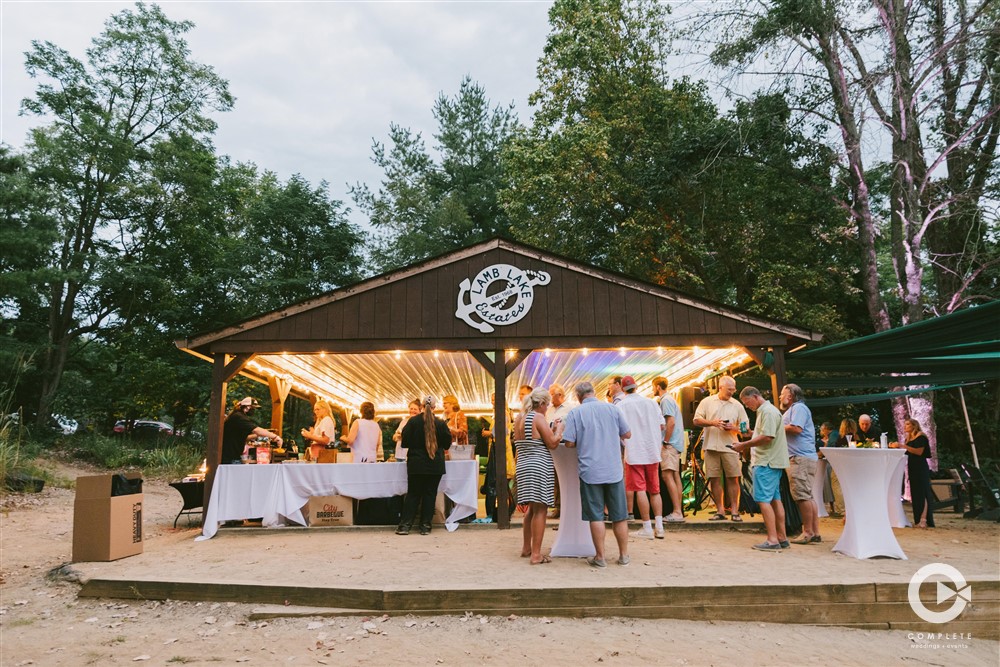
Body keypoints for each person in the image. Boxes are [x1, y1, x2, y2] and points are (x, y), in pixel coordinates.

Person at [561, 381, 632, 569]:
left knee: (596, 516)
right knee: (620, 516)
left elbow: (568, 442)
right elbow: (628, 434)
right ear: (594, 392)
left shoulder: (575, 413)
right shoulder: (612, 409)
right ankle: (623, 555)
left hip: (590, 471)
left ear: (578, 396)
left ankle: (600, 557)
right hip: (613, 469)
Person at [733, 386, 789, 551]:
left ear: (755, 396)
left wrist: (743, 444)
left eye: (747, 402)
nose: (746, 406)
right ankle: (782, 537)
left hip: (766, 462)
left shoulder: (767, 412)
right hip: (772, 461)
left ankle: (772, 539)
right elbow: (765, 434)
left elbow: (767, 437)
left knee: (763, 500)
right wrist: (751, 434)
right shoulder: (768, 411)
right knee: (775, 500)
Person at [514, 388, 564, 564]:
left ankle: (526, 548)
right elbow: (552, 443)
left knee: (531, 509)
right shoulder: (538, 417)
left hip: (523, 465)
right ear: (541, 403)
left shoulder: (519, 418)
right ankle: (536, 555)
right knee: (541, 509)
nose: (547, 408)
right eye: (547, 405)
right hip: (539, 466)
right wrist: (558, 430)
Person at [692, 376, 749, 522]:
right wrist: (713, 423)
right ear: (720, 387)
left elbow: (745, 430)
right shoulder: (707, 402)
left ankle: (735, 511)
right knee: (714, 479)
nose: (732, 392)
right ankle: (720, 510)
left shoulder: (737, 405)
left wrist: (734, 428)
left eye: (733, 389)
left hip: (730, 446)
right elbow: (696, 420)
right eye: (729, 389)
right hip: (711, 446)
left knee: (733, 478)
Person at [616, 375, 666, 540]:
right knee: (655, 490)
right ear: (636, 387)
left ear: (623, 389)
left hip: (634, 451)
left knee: (640, 490)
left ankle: (647, 527)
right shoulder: (652, 402)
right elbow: (662, 425)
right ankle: (659, 527)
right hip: (652, 450)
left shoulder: (621, 405)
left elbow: (619, 430)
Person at [396, 396, 452, 535]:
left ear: (421, 406)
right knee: (430, 494)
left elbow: (405, 442)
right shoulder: (440, 423)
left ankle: (405, 526)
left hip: (416, 463)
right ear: (434, 408)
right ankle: (425, 526)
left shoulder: (412, 422)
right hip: (435, 464)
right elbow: (447, 443)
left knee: (413, 494)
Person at [781, 384, 821, 545]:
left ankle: (807, 532)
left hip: (799, 458)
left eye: (782, 395)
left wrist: (776, 428)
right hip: (804, 457)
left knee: (802, 496)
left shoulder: (799, 408)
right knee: (808, 496)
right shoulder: (797, 409)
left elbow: (796, 428)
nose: (780, 398)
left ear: (790, 396)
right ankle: (815, 532)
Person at [652, 375, 685, 524]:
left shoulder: (665, 400)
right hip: (675, 443)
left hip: (670, 443)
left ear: (658, 386)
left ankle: (677, 512)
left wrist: (665, 441)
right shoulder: (670, 399)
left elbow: (670, 422)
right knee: (675, 476)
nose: (653, 389)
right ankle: (678, 511)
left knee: (667, 476)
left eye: (653, 387)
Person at [891, 418, 935, 528]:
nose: (905, 426)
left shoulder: (921, 437)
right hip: (912, 466)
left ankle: (924, 519)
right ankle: (918, 519)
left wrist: (902, 446)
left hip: (920, 466)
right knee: (916, 494)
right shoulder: (909, 438)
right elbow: (907, 451)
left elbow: (919, 452)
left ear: (914, 426)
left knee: (922, 492)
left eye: (907, 424)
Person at [222, 397, 282, 464]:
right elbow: (256, 430)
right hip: (229, 457)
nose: (254, 410)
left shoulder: (237, 416)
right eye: (253, 408)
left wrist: (262, 434)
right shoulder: (239, 417)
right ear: (247, 407)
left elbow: (245, 437)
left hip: (232, 455)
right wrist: (275, 437)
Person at [545, 383, 571, 519]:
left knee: (564, 477)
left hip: (564, 447)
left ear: (559, 395)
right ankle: (557, 507)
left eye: (551, 394)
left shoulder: (570, 408)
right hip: (551, 447)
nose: (550, 398)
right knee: (554, 477)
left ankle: (565, 507)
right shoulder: (548, 410)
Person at [818, 421, 841, 516]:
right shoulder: (835, 434)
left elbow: (829, 448)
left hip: (835, 462)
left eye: (822, 430)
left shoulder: (833, 435)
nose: (822, 432)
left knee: (836, 484)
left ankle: (841, 510)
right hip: (834, 462)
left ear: (826, 429)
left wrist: (819, 454)